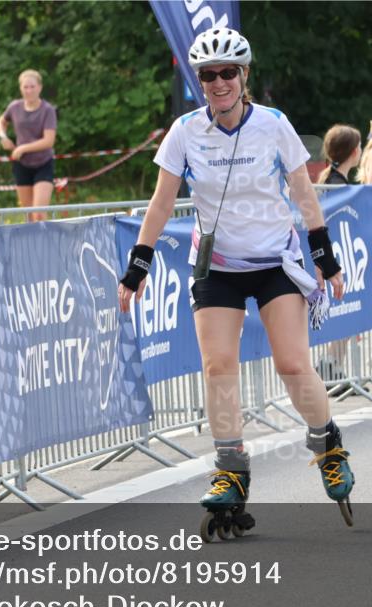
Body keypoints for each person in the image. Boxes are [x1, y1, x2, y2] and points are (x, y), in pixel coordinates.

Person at [117, 28, 354, 535]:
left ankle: (326, 441)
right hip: (218, 265)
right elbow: (161, 203)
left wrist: (325, 260)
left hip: (274, 261)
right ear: (198, 80)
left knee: (292, 365)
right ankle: (230, 470)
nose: (219, 82)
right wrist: (138, 265)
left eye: (229, 72)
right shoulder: (184, 131)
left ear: (244, 76)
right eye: (209, 74)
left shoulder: (273, 124)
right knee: (218, 365)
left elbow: (304, 193)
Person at [315, 125, 361, 389]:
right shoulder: (334, 183)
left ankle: (335, 368)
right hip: (337, 257)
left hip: (341, 254)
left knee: (347, 313)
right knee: (344, 311)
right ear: (355, 152)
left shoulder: (333, 179)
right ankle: (330, 366)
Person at [0, 69, 57, 222]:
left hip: (43, 163)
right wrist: (3, 136)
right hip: (22, 164)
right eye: (25, 87)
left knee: (39, 214)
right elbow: (1, 122)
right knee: (29, 215)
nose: (29, 90)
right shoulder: (15, 107)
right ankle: (32, 245)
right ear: (21, 88)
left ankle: (45, 243)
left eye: (32, 86)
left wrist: (22, 148)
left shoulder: (47, 110)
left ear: (40, 88)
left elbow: (48, 141)